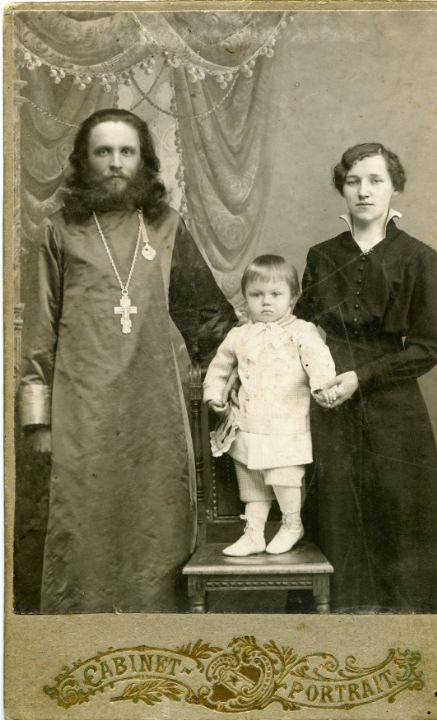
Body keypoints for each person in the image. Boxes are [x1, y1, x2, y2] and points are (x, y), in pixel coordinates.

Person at [18, 108, 237, 614]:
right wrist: (39, 420)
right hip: (82, 409)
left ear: (144, 161)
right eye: (103, 152)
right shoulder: (58, 231)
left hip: (153, 408)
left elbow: (208, 317)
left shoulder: (166, 226)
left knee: (155, 523)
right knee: (83, 520)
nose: (116, 163)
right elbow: (39, 333)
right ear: (84, 161)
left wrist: (240, 377)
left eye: (126, 152)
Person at [294, 143, 437, 613]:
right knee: (336, 509)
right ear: (342, 189)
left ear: (394, 187)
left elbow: (427, 348)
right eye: (353, 182)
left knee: (400, 509)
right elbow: (301, 330)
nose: (363, 191)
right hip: (332, 398)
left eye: (375, 180)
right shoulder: (322, 256)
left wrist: (362, 378)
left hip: (394, 405)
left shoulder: (420, 257)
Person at [203, 255, 336, 557]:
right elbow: (220, 367)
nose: (266, 302)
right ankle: (254, 534)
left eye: (276, 294)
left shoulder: (301, 331)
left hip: (286, 424)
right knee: (252, 483)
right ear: (245, 297)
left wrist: (322, 386)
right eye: (256, 295)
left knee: (283, 475)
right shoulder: (239, 335)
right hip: (248, 423)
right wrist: (214, 393)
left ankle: (292, 524)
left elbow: (319, 362)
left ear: (293, 297)